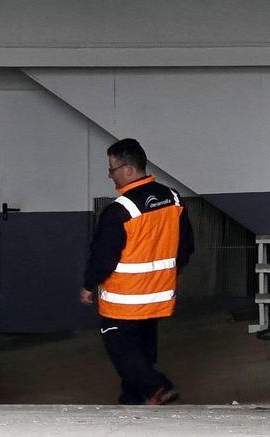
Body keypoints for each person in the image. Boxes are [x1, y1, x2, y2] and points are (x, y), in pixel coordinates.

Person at [81, 138, 195, 405]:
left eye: (112, 169)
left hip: (125, 300)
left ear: (129, 169)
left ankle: (157, 388)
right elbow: (186, 246)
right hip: (158, 295)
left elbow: (103, 257)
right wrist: (166, 274)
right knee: (142, 348)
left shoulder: (119, 211)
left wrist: (88, 285)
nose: (110, 175)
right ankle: (131, 399)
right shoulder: (173, 199)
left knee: (120, 347)